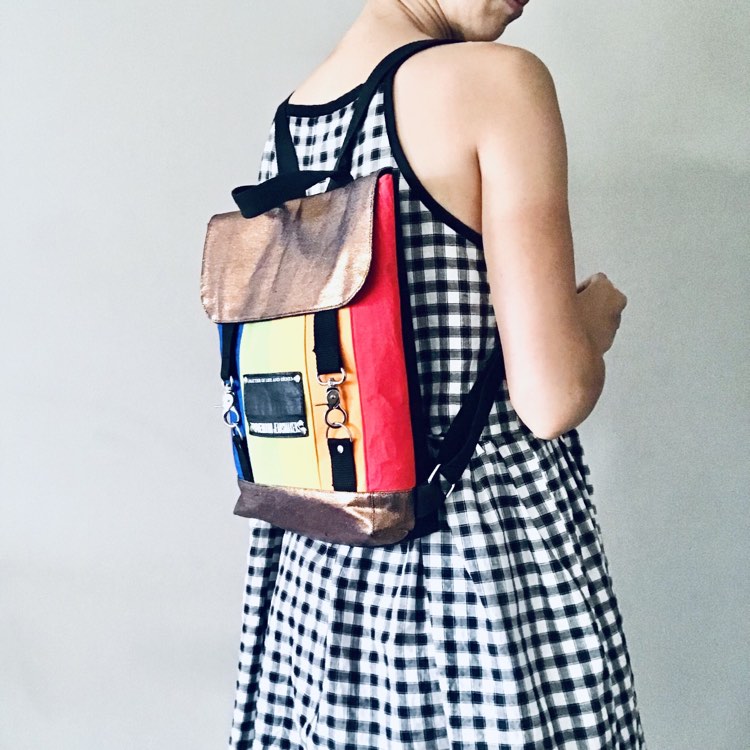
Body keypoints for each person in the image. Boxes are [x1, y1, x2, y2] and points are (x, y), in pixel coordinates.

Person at [228, 1, 646, 748]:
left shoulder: (292, 119)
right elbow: (551, 397)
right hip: (476, 569)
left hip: (322, 579)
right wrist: (595, 319)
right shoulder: (499, 84)